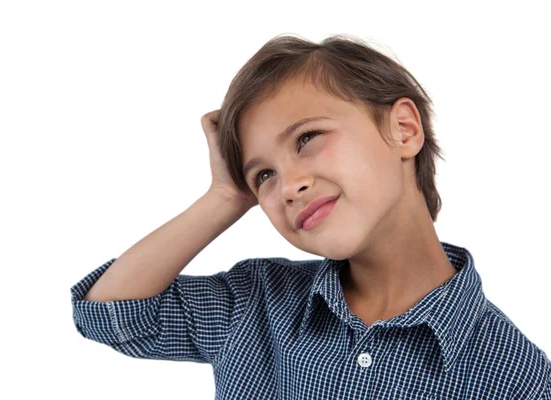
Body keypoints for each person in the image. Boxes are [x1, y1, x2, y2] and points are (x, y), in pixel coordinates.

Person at [70, 34, 551, 399]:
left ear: (404, 129)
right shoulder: (256, 302)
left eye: (307, 139)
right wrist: (223, 196)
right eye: (263, 176)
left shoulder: (517, 377)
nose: (289, 186)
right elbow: (112, 314)